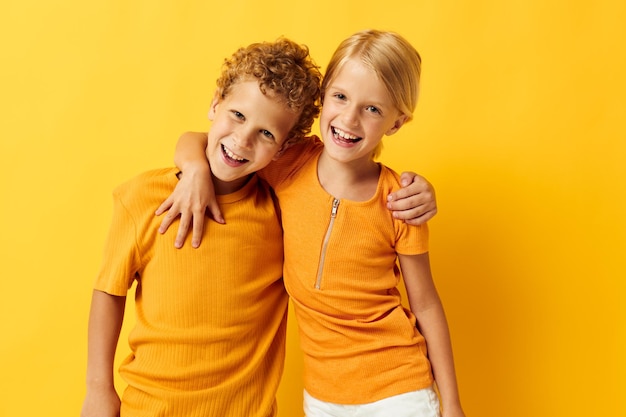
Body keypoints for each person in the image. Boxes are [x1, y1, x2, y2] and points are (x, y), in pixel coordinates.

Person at [81, 37, 437, 417]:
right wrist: (99, 389)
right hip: (150, 407)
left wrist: (420, 193)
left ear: (283, 148)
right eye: (237, 116)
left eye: (267, 134)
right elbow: (109, 289)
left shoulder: (277, 206)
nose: (242, 140)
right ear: (215, 103)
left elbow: (344, 206)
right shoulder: (142, 198)